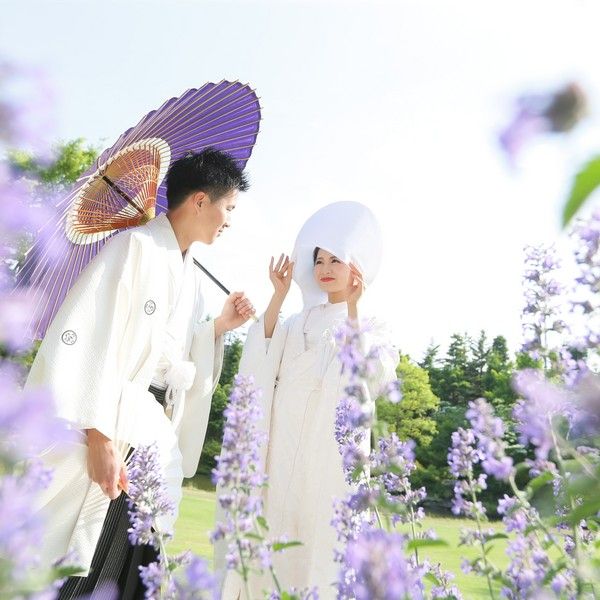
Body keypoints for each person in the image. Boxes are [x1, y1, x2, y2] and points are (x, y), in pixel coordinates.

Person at [27, 148, 256, 598]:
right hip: (113, 427)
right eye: (229, 208)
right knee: (85, 557)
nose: (229, 221)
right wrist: (98, 434)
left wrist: (218, 328)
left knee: (133, 563)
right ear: (200, 201)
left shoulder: (189, 276)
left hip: (151, 437)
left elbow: (173, 355)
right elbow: (88, 338)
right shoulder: (134, 247)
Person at [218, 201, 398, 598]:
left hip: (326, 449)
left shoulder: (371, 325)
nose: (326, 268)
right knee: (272, 527)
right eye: (319, 260)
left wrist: (354, 309)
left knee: (322, 536)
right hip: (280, 444)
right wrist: (278, 296)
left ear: (356, 266)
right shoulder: (298, 320)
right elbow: (263, 355)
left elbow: (370, 376)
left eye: (336, 259)